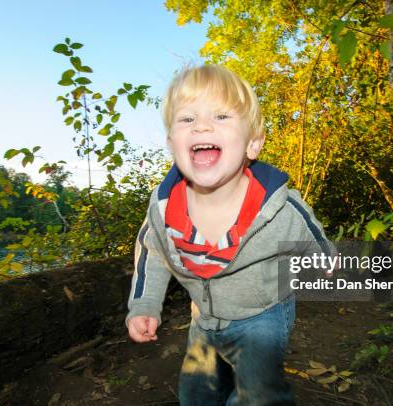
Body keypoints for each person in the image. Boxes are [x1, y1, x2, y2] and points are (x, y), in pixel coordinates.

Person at [126, 64, 334, 405]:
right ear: (171, 144)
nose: (203, 125)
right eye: (187, 119)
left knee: (258, 393)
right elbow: (153, 253)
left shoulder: (277, 208)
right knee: (196, 394)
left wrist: (323, 257)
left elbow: (308, 229)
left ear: (253, 144)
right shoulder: (165, 209)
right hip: (202, 320)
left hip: (261, 316)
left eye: (221, 116)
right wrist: (146, 304)